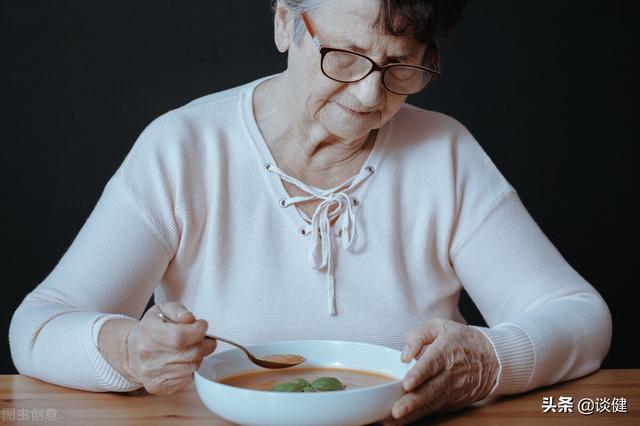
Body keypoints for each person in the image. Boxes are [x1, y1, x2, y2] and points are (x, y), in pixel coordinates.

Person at [9, 0, 611, 423]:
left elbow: (581, 318)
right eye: (344, 55)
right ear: (283, 21)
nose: (370, 96)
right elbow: (35, 329)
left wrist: (487, 362)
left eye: (402, 65)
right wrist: (128, 351)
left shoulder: (444, 153)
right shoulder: (185, 148)